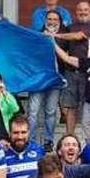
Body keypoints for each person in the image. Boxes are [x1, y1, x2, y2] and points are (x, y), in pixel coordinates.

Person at [53, 2, 90, 136]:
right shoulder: (70, 27)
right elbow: (61, 48)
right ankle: (70, 135)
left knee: (88, 105)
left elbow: (78, 36)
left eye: (86, 9)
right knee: (70, 106)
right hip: (71, 72)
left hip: (88, 73)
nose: (82, 12)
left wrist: (56, 36)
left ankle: (89, 138)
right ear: (76, 12)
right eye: (80, 10)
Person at [28, 10, 66, 150]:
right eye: (49, 19)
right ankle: (30, 141)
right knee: (33, 111)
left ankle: (48, 140)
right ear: (45, 20)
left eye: (55, 19)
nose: (52, 21)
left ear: (59, 21)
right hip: (38, 79)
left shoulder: (64, 36)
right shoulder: (37, 34)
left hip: (55, 79)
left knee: (51, 111)